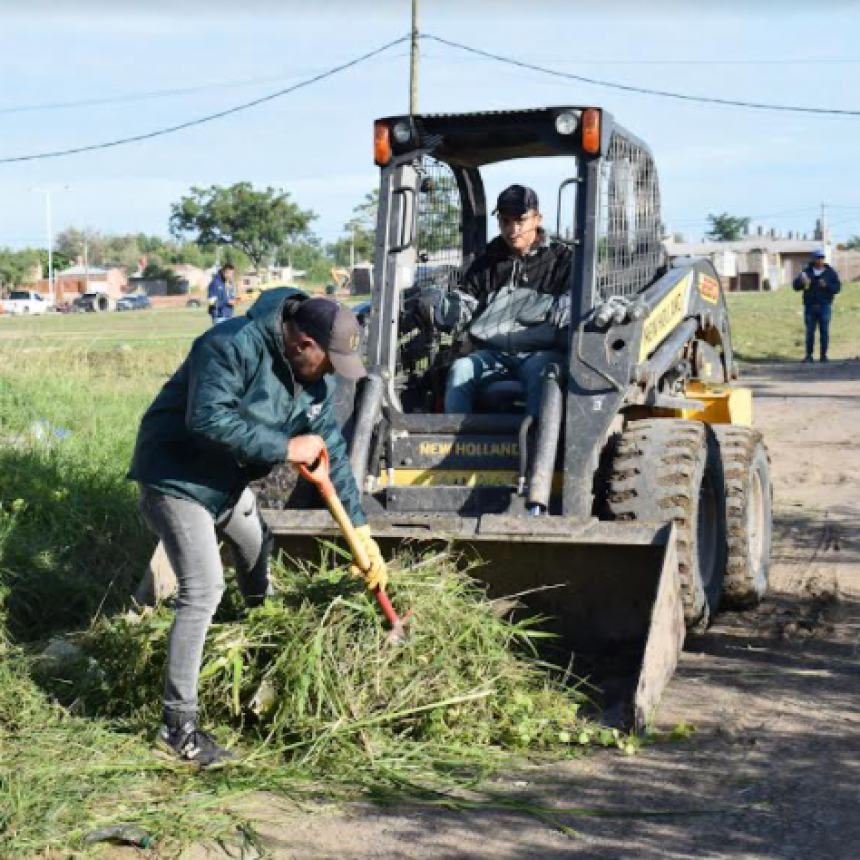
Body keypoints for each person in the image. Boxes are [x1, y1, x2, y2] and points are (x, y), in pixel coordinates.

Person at [128, 288, 388, 766]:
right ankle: (177, 727)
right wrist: (285, 447)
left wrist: (361, 530)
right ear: (302, 344)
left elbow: (332, 455)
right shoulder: (229, 344)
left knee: (257, 547)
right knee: (204, 589)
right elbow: (206, 418)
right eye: (329, 361)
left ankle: (258, 638)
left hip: (226, 481)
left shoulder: (314, 382)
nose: (332, 372)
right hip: (176, 476)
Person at [427, 185, 572, 416]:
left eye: (520, 221)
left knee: (545, 373)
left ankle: (537, 445)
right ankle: (456, 446)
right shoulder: (487, 260)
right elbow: (466, 297)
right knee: (461, 369)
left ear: (537, 219)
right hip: (492, 354)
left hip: (540, 352)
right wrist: (448, 307)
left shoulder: (562, 259)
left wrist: (571, 299)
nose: (513, 230)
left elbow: (584, 297)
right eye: (505, 221)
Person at [793, 249, 841, 363]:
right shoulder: (806, 272)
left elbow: (837, 289)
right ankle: (809, 356)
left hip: (825, 306)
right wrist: (802, 282)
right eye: (817, 258)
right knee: (810, 332)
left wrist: (826, 285)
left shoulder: (830, 272)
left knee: (824, 332)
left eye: (821, 258)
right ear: (813, 259)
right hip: (810, 306)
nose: (820, 260)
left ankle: (823, 356)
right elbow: (795, 287)